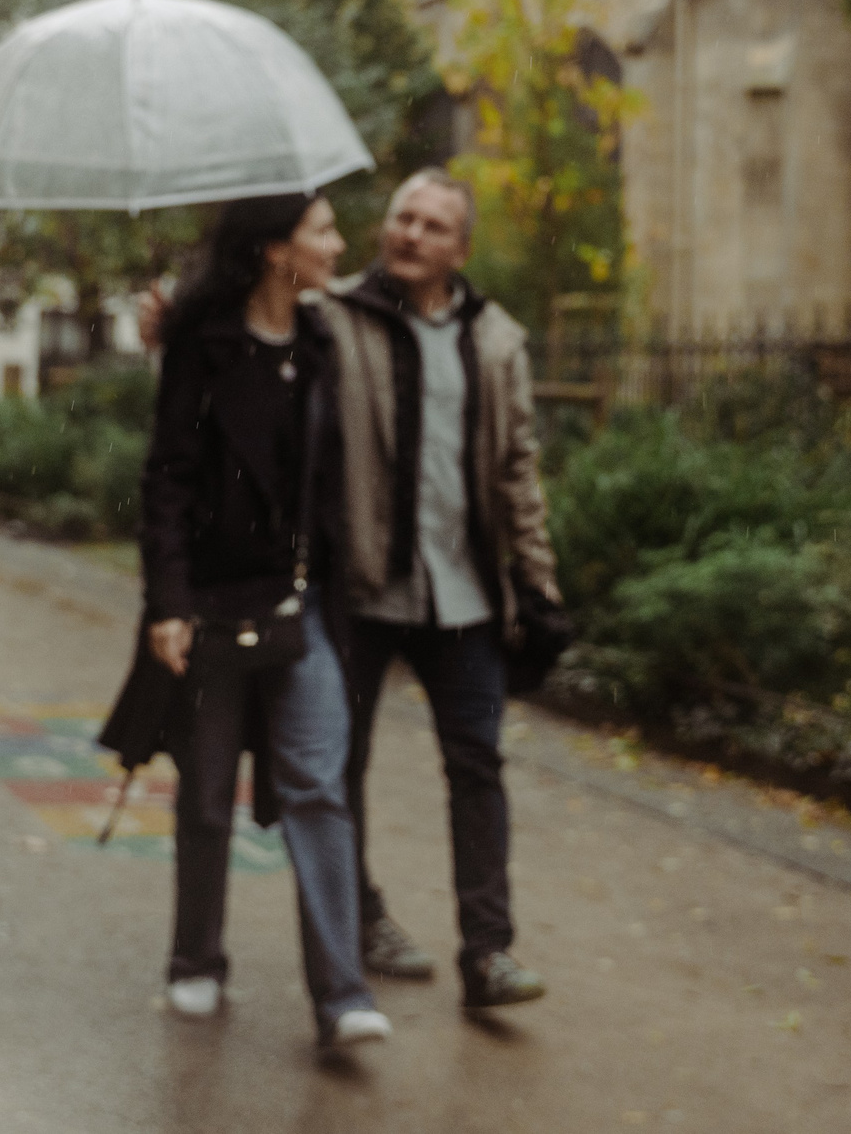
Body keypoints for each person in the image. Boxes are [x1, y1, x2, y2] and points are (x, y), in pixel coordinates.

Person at [105, 192, 391, 1050]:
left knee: (320, 789)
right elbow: (166, 480)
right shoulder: (205, 345)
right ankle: (196, 959)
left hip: (302, 604)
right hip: (211, 608)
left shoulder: (324, 339)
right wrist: (168, 603)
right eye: (323, 230)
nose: (339, 243)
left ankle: (342, 994)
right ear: (275, 249)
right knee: (206, 794)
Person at [314, 169, 563, 1010]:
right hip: (361, 589)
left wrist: (538, 584)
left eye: (431, 225)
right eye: (402, 217)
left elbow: (518, 469)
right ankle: (361, 918)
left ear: (461, 248)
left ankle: (488, 952)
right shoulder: (333, 317)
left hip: (464, 596)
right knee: (339, 763)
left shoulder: (496, 339)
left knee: (477, 766)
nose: (410, 234)